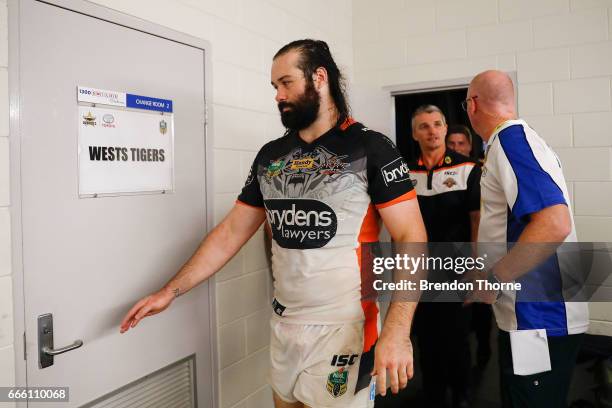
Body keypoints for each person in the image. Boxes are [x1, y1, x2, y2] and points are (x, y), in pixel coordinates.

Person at [119, 39, 427, 408]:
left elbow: (412, 236)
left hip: (345, 329)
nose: (278, 95)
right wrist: (170, 291)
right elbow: (232, 232)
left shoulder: (370, 148)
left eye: (286, 83)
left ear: (319, 77)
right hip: (285, 325)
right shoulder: (271, 156)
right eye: (274, 87)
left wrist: (397, 330)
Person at [464, 70, 588, 408]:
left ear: (472, 104)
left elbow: (554, 223)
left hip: (538, 319)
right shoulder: (518, 141)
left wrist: (493, 278)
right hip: (535, 317)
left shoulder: (511, 141)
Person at [408, 105, 481, 408]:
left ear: (445, 127)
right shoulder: (404, 173)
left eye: (437, 124)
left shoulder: (467, 168)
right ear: (415, 134)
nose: (432, 131)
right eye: (424, 126)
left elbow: (478, 221)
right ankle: (433, 396)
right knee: (426, 340)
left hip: (457, 268)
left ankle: (462, 396)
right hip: (419, 271)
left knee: (457, 340)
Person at [445, 123, 493, 368]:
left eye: (460, 143)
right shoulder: (442, 173)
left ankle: (485, 348)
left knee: (481, 306)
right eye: (451, 144)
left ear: (469, 145)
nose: (456, 148)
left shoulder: (481, 170)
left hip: (479, 247)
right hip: (450, 251)